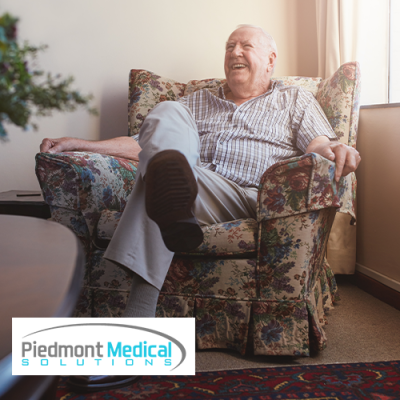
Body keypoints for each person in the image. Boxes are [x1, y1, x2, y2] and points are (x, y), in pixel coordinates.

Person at [40, 24, 361, 392]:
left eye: (246, 46)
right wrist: (79, 144)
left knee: (156, 177)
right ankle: (172, 203)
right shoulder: (195, 102)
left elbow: (318, 144)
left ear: (271, 60)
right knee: (164, 132)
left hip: (251, 197)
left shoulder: (294, 100)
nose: (235, 52)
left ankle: (133, 330)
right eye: (229, 46)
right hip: (195, 186)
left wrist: (337, 148)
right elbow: (138, 143)